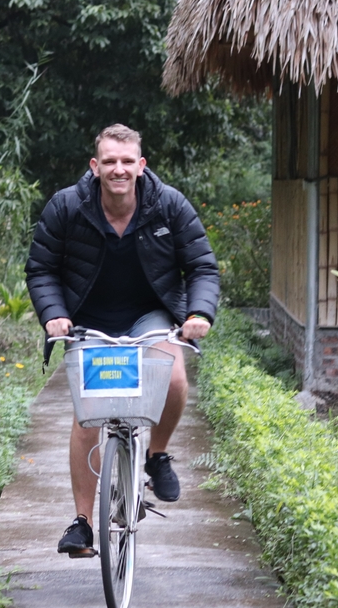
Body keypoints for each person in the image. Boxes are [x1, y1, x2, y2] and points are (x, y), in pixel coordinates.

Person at [25, 123, 219, 557]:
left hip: (150, 316)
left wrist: (199, 313)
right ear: (95, 167)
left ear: (141, 165)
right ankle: (82, 523)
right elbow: (41, 269)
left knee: (172, 377)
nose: (118, 169)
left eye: (127, 161)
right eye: (109, 161)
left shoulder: (169, 205)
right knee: (87, 414)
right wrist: (54, 315)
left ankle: (158, 455)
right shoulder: (67, 207)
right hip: (89, 318)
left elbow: (202, 266)